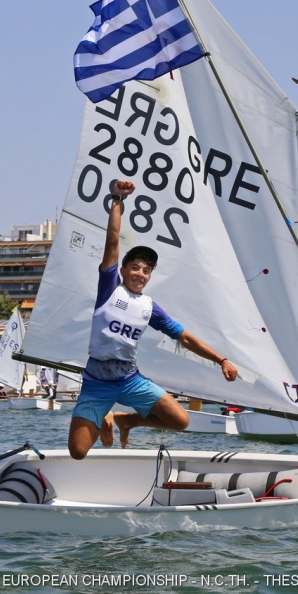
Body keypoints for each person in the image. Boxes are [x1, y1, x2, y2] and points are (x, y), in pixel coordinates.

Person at [68, 179, 238, 460]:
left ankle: (127, 420)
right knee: (78, 452)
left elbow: (184, 337)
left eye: (146, 270)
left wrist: (221, 359)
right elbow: (112, 241)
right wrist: (117, 200)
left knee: (180, 421)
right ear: (122, 270)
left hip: (130, 379)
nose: (140, 273)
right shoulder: (109, 290)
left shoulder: (150, 307)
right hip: (96, 382)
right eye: (135, 267)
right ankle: (104, 418)